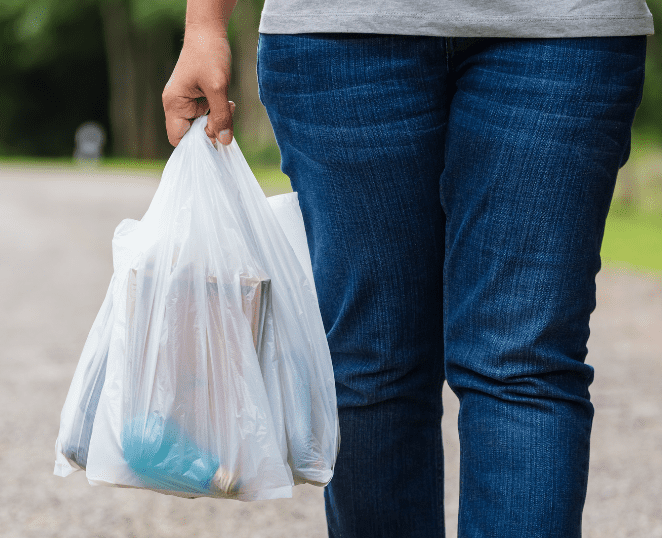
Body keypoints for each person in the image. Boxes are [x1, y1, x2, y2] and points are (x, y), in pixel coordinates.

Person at [162, 1, 653, 536]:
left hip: (561, 27)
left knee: (522, 365)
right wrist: (205, 26)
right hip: (342, 32)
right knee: (373, 364)